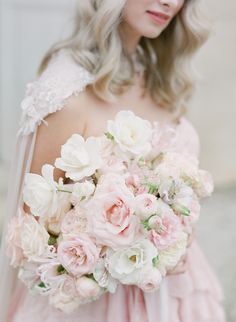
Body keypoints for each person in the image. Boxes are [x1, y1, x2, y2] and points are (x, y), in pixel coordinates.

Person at [0, 0, 226, 321]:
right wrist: (118, 238)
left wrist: (168, 230)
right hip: (99, 307)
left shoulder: (157, 75)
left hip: (175, 295)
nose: (172, 2)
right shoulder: (67, 94)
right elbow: (32, 240)